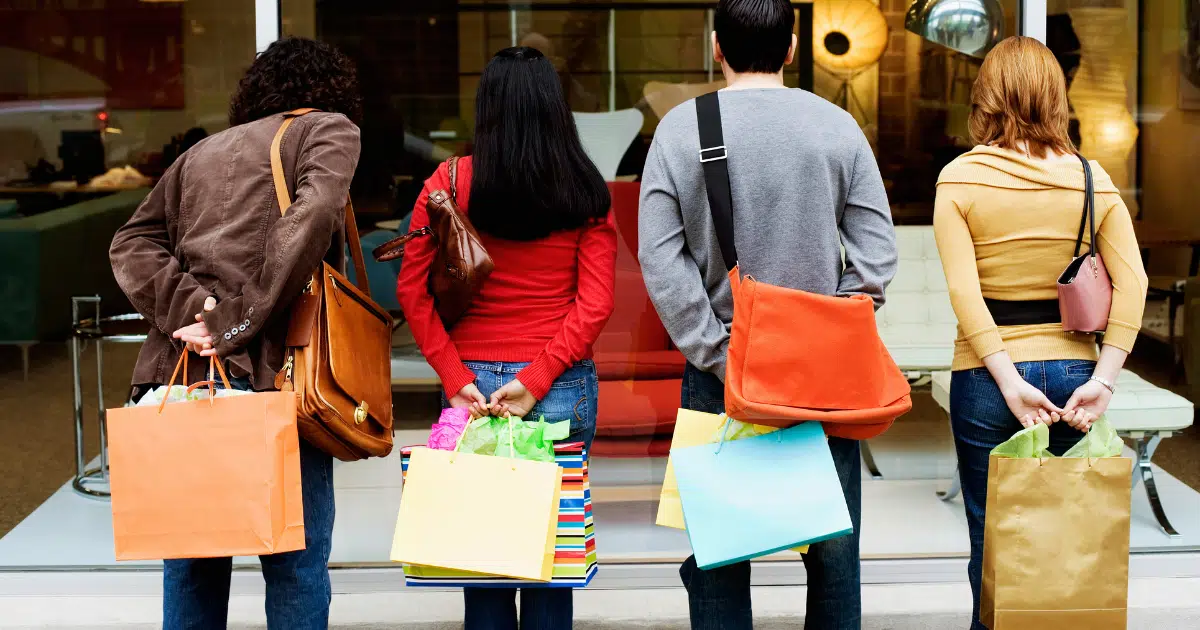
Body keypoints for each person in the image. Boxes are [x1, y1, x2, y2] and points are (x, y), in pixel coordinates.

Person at [638, 1, 897, 627]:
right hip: (821, 375)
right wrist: (822, 332)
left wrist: (713, 348)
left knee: (721, 552)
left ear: (717, 46)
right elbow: (876, 257)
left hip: (720, 370)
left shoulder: (679, 130)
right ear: (792, 47)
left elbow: (659, 256)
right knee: (833, 553)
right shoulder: (837, 127)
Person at [108, 37, 363, 630]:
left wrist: (193, 312)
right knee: (296, 562)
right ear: (329, 89)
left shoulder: (201, 153)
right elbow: (313, 217)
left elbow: (130, 243)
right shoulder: (329, 129)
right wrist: (231, 321)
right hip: (279, 373)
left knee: (193, 562)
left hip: (188, 379)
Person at [395, 46, 616, 630]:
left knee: (480, 561)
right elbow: (595, 303)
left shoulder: (447, 182)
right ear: (555, 108)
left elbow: (413, 294)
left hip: (470, 390)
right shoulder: (587, 190)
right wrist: (535, 379)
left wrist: (455, 376)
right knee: (550, 562)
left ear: (486, 107)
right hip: (559, 387)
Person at [932, 36, 1148, 630]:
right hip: (1075, 375)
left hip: (984, 378)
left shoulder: (958, 179)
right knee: (1069, 540)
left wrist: (1007, 380)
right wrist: (1104, 380)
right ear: (1057, 96)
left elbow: (962, 294)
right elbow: (1134, 284)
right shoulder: (1091, 178)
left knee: (993, 540)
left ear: (987, 96)